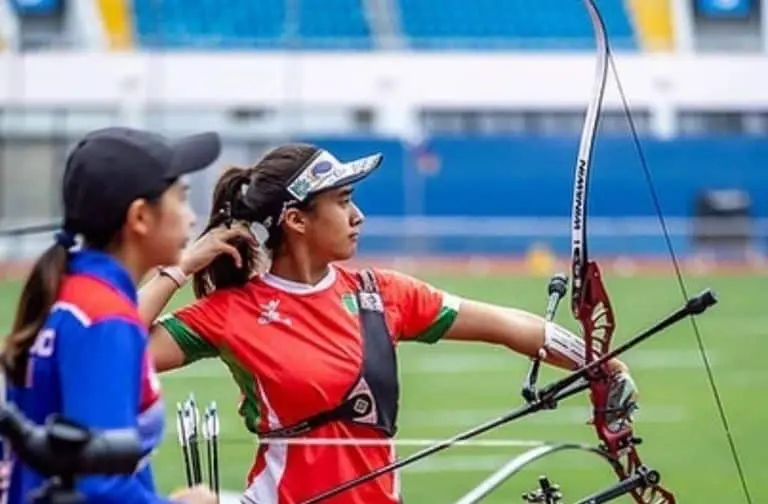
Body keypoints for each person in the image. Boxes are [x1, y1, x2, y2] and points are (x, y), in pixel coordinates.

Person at [139, 143, 638, 504]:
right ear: (296, 220)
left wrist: (602, 365)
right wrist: (181, 266)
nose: (358, 215)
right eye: (342, 201)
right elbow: (116, 349)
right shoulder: (234, 311)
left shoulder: (380, 294)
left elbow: (506, 325)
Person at [0, 126, 236, 504]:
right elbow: (99, 487)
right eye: (181, 198)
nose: (192, 218)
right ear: (140, 217)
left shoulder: (68, 291)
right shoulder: (106, 320)